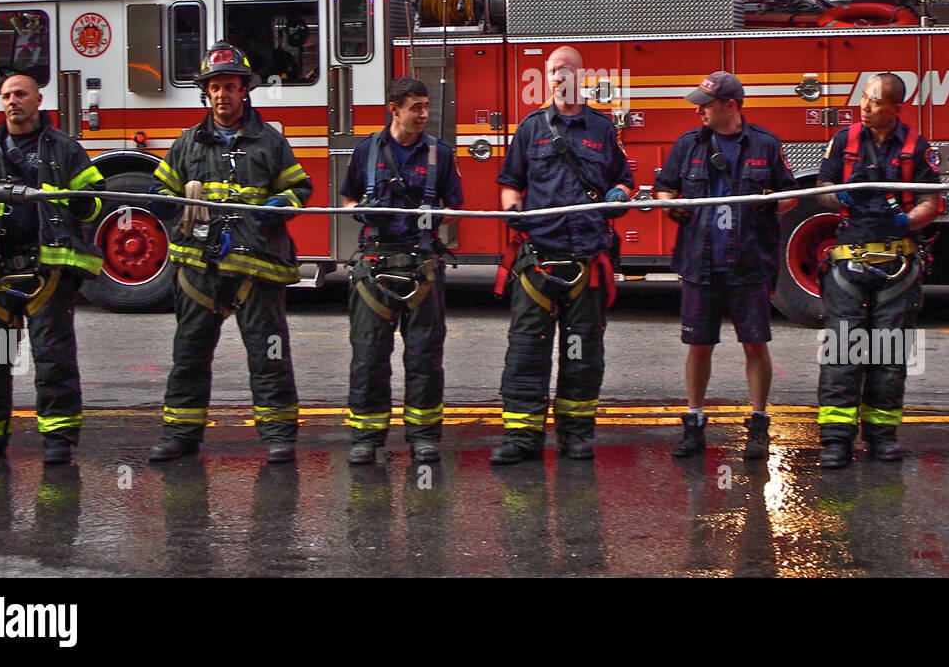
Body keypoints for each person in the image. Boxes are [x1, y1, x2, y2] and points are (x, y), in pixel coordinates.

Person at [147, 43, 312, 464]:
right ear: (207, 93)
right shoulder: (187, 144)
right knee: (189, 355)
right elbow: (161, 190)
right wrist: (164, 202)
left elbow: (300, 189)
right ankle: (180, 436)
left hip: (257, 268)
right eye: (215, 87)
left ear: (245, 91)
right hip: (200, 269)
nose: (223, 95)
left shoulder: (270, 142)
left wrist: (282, 206)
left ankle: (278, 436)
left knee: (269, 353)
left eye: (231, 87)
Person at [0, 73, 105, 465]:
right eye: (5, 96)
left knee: (54, 358)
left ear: (37, 100)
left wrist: (84, 205)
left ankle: (58, 440)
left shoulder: (64, 150)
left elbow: (95, 199)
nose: (12, 101)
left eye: (20, 94)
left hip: (46, 270)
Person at [490, 45, 633, 464]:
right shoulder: (531, 128)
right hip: (538, 259)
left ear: (579, 77)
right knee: (526, 351)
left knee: (582, 351)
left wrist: (619, 194)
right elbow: (509, 181)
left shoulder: (603, 129)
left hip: (586, 257)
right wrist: (511, 207)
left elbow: (624, 179)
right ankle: (521, 438)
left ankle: (575, 435)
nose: (556, 76)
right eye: (551, 70)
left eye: (564, 70)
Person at [654, 71, 796, 459]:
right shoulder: (688, 145)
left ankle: (758, 424)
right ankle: (695, 423)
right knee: (699, 346)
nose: (699, 110)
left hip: (749, 264)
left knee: (755, 343)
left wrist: (777, 200)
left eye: (706, 103)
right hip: (700, 263)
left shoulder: (765, 145)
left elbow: (791, 195)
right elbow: (664, 186)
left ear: (730, 106)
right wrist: (670, 202)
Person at [814, 73, 940, 468]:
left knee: (889, 355)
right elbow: (821, 189)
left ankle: (882, 436)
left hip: (897, 262)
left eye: (875, 102)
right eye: (865, 100)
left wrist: (908, 221)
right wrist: (840, 194)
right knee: (841, 352)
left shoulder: (917, 148)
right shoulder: (844, 141)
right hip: (849, 262)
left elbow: (932, 201)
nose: (865, 108)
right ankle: (836, 439)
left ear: (896, 108)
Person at [340, 77, 464, 466]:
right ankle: (366, 436)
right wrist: (361, 211)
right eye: (416, 108)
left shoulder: (439, 154)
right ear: (393, 109)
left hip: (422, 264)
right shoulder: (366, 151)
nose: (424, 115)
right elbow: (346, 199)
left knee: (425, 356)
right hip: (374, 264)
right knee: (369, 355)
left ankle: (424, 437)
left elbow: (456, 206)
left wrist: (438, 216)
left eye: (426, 107)